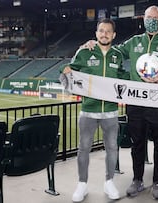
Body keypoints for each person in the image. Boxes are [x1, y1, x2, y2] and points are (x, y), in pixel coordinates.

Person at [82, 5, 158, 200]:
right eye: (148, 17)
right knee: (138, 143)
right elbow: (112, 53)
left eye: (155, 18)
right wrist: (94, 45)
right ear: (143, 19)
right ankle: (137, 179)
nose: (151, 20)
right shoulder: (134, 41)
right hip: (135, 101)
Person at [61, 18, 128, 202]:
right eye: (101, 30)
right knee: (83, 149)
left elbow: (123, 77)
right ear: (96, 33)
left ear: (113, 35)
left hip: (111, 112)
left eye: (108, 31)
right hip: (88, 111)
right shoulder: (84, 52)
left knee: (112, 148)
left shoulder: (117, 55)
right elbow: (68, 69)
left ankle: (109, 182)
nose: (104, 33)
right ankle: (82, 184)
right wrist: (64, 69)